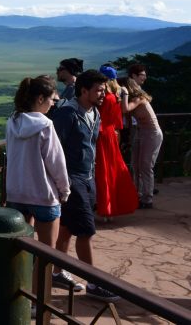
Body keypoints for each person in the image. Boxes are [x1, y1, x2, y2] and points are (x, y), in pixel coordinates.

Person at [51, 69, 120, 302]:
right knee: (86, 231)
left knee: (67, 229)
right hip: (73, 180)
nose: (103, 94)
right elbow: (54, 149)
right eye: (99, 90)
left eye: (104, 89)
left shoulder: (94, 112)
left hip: (87, 177)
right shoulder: (67, 114)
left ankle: (57, 272)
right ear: (83, 90)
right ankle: (94, 283)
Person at [5, 75, 70, 316]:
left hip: (17, 194)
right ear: (40, 98)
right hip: (43, 196)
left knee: (20, 251)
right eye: (52, 99)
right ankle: (37, 304)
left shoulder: (12, 121)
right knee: (46, 253)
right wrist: (64, 190)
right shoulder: (45, 125)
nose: (54, 103)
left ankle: (15, 295)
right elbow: (56, 163)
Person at [94, 65, 139, 220]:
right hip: (112, 135)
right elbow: (119, 123)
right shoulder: (115, 96)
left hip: (101, 135)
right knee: (112, 170)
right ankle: (111, 209)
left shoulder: (103, 98)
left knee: (102, 172)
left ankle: (106, 208)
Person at [120, 78, 163, 209]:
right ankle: (136, 194)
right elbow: (125, 120)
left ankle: (147, 198)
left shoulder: (139, 99)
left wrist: (124, 94)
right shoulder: (129, 101)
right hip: (140, 132)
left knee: (145, 165)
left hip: (152, 133)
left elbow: (126, 109)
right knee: (135, 165)